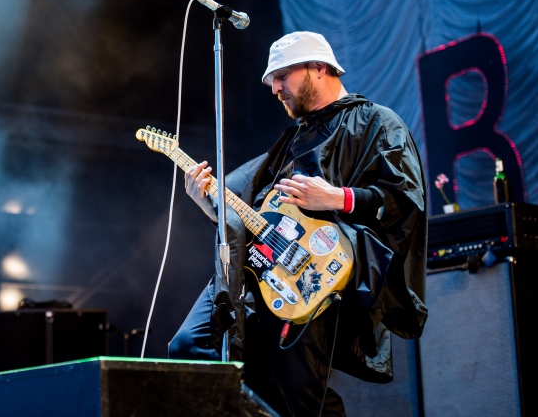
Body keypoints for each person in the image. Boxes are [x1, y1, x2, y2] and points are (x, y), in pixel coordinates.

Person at [168, 32, 428, 416]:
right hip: (259, 270)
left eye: (282, 75)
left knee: (301, 396)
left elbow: (404, 199)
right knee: (190, 346)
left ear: (318, 68)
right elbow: (254, 215)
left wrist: (336, 198)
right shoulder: (291, 141)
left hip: (314, 275)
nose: (274, 88)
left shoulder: (377, 122)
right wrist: (210, 206)